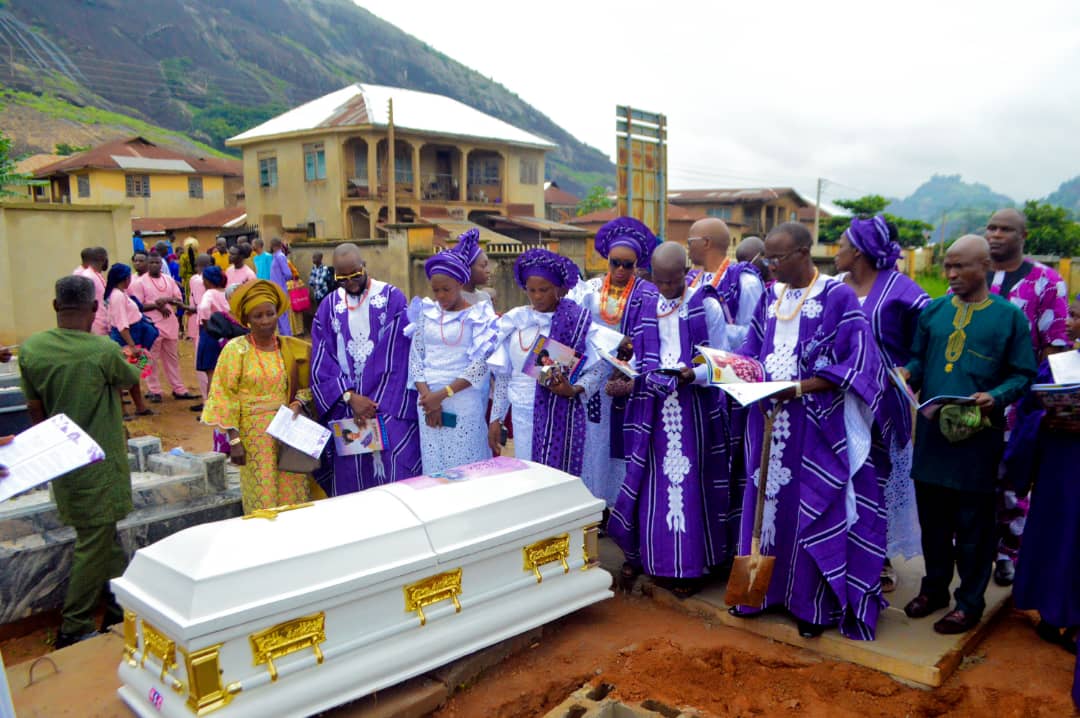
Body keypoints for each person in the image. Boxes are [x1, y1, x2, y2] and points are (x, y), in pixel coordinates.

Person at [729, 222, 888, 640]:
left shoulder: (837, 296)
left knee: (811, 506)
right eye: (767, 258)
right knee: (763, 505)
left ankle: (811, 605)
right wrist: (730, 368)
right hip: (765, 419)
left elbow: (859, 362)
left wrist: (800, 387)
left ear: (803, 253)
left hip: (814, 422)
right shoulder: (769, 294)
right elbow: (751, 348)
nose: (771, 265)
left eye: (778, 258)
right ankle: (756, 594)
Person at [899, 235, 1036, 634]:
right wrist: (907, 374)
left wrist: (995, 396)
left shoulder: (1009, 318)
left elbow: (1023, 374)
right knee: (934, 521)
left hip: (978, 439)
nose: (952, 274)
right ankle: (935, 588)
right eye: (948, 267)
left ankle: (970, 602)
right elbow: (919, 361)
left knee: (974, 525)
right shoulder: (935, 312)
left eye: (961, 267)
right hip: (932, 438)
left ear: (985, 267)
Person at [18, 276, 143, 648]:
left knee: (103, 536)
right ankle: (74, 624)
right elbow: (131, 378)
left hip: (62, 461)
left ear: (56, 306)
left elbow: (35, 411)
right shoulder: (102, 350)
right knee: (94, 540)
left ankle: (122, 603)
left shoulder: (32, 349)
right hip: (99, 462)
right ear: (94, 309)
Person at [608, 243, 736, 598]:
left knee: (691, 484)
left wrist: (688, 375)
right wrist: (625, 379)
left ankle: (694, 566)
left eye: (672, 280)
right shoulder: (647, 306)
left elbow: (721, 361)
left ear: (686, 272)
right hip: (653, 412)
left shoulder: (705, 305)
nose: (665, 288)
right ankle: (659, 562)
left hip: (694, 412)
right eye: (659, 281)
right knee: (655, 487)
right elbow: (638, 356)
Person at [834, 215, 930, 592]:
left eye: (841, 244)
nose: (836, 252)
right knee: (843, 473)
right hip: (839, 399)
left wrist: (909, 372)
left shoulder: (902, 291)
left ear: (858, 251)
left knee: (878, 474)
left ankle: (880, 557)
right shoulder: (835, 287)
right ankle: (842, 548)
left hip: (882, 404)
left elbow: (925, 345)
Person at [983, 208, 1071, 587]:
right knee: (974, 478)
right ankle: (974, 548)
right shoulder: (974, 274)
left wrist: (1034, 401)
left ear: (1024, 236)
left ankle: (1008, 553)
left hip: (1019, 401)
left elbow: (1055, 346)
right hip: (971, 398)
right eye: (991, 227)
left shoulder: (1046, 281)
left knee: (1012, 480)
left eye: (1006, 229)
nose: (996, 234)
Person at [486, 249, 614, 472]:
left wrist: (575, 389)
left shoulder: (575, 321)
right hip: (521, 415)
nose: (536, 296)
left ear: (560, 289)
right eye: (531, 290)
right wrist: (496, 418)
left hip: (559, 414)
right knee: (529, 473)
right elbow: (505, 376)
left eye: (544, 290)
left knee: (555, 477)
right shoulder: (516, 320)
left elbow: (602, 365)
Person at [311, 244, 421, 494]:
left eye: (355, 275)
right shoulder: (327, 308)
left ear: (364, 266)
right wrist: (350, 398)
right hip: (346, 409)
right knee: (353, 484)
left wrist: (372, 405)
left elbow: (400, 356)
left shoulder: (392, 298)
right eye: (342, 278)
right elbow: (322, 361)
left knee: (396, 480)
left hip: (388, 407)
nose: (350, 283)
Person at [201, 280, 313, 514]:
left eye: (270, 314)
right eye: (258, 316)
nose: (265, 321)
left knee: (294, 494)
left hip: (288, 432)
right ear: (247, 319)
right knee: (263, 495)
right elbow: (224, 395)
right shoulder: (235, 350)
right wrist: (234, 441)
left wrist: (298, 403)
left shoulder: (290, 348)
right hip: (254, 437)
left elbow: (307, 385)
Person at [1005, 299, 1079, 654]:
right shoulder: (1060, 367)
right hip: (1060, 467)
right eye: (1073, 314)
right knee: (1057, 534)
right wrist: (1043, 421)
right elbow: (1029, 408)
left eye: (1078, 317)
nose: (1071, 322)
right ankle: (1051, 613)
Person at [579, 217, 661, 506]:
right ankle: (593, 504)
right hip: (593, 377)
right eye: (616, 263)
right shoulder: (590, 291)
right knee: (594, 441)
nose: (622, 270)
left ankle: (621, 506)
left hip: (627, 379)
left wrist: (629, 374)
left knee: (623, 443)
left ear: (638, 264)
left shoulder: (648, 293)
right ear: (607, 260)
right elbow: (579, 326)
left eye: (629, 264)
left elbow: (651, 335)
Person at [404, 251, 499, 475]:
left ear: (460, 283)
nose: (440, 296)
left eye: (446, 289)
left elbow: (481, 365)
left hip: (463, 400)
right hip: (427, 403)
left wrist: (442, 394)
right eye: (436, 290)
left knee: (467, 465)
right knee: (436, 464)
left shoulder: (479, 316)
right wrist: (428, 398)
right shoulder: (426, 313)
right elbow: (416, 359)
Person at [129, 254, 199, 403]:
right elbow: (138, 306)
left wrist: (166, 300)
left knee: (172, 359)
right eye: (152, 262)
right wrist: (156, 305)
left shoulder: (168, 280)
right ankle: (154, 390)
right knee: (149, 359)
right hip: (151, 326)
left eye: (157, 262)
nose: (155, 265)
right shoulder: (139, 282)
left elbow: (178, 299)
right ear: (148, 264)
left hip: (170, 324)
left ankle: (179, 389)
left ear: (162, 264)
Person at [685, 218, 764, 348]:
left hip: (726, 364)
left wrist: (710, 327)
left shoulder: (745, 282)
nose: (688, 247)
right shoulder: (691, 281)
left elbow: (754, 333)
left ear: (706, 243)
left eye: (690, 241)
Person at [103, 264, 154, 419]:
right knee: (123, 375)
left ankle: (140, 406)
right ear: (125, 278)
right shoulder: (117, 296)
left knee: (134, 373)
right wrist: (132, 345)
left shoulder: (120, 293)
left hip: (133, 338)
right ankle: (123, 410)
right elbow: (122, 324)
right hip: (125, 340)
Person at [73, 246, 109, 336]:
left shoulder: (96, 274)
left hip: (104, 323)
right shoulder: (87, 276)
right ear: (103, 259)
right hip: (95, 325)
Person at [451, 229, 493, 305]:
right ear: (467, 269)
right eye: (483, 266)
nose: (488, 270)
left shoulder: (485, 298)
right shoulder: (452, 300)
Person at [268, 237, 293, 337]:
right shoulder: (275, 257)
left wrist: (280, 282)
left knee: (282, 315)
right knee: (278, 314)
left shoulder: (280, 257)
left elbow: (288, 274)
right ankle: (283, 336)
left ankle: (287, 337)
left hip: (280, 289)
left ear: (273, 245)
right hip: (276, 290)